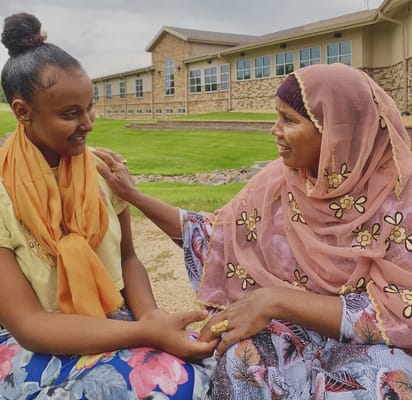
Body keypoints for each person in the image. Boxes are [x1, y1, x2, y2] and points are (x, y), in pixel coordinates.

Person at [94, 62, 412, 399]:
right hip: (291, 333)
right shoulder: (280, 182)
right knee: (240, 359)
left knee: (383, 386)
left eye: (289, 120)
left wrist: (276, 300)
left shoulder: (399, 199)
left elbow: (400, 308)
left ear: (337, 131)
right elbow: (216, 237)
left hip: (372, 344)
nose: (274, 130)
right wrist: (134, 196)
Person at [0, 12, 217, 400]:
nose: (89, 123)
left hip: (114, 317)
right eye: (70, 114)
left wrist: (151, 315)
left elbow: (128, 257)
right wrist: (144, 331)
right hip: (36, 340)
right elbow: (29, 324)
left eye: (89, 107)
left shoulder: (102, 171)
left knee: (207, 373)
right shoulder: (3, 191)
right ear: (22, 112)